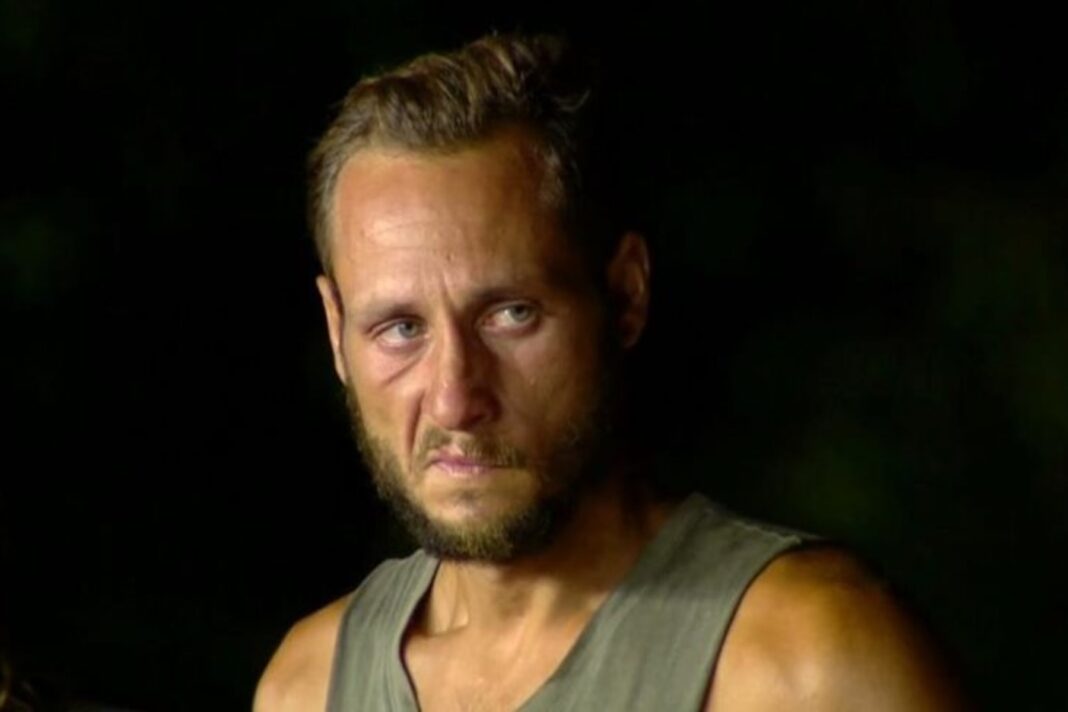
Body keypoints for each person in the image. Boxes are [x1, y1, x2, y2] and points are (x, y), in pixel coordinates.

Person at [254, 33, 965, 711]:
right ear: (336, 333)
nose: (454, 399)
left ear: (625, 296)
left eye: (511, 314)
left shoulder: (811, 662)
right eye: (401, 330)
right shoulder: (306, 688)